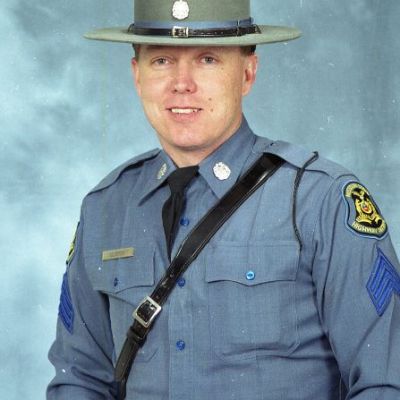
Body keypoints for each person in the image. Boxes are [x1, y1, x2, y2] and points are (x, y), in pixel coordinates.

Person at [47, 0, 400, 398]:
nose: (182, 84)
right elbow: (79, 380)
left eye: (208, 59)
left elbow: (385, 382)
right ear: (137, 75)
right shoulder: (106, 208)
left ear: (248, 73)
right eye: (161, 60)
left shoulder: (321, 201)